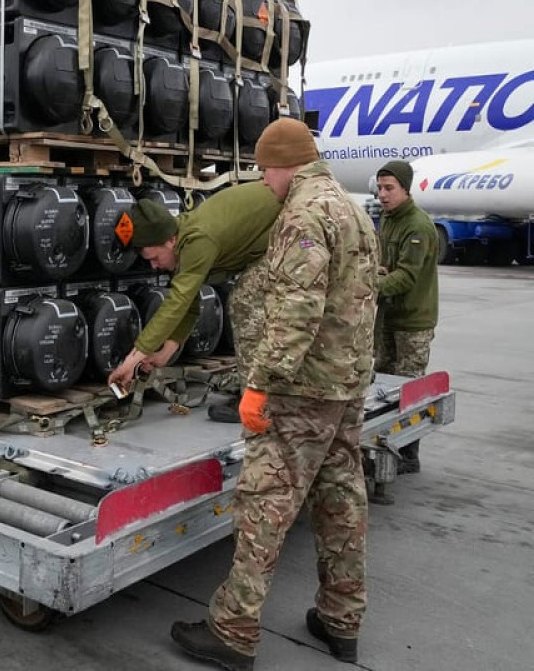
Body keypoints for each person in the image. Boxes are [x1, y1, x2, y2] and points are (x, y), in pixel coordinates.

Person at [169, 118, 380, 669]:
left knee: (266, 505)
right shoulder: (353, 208)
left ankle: (233, 631)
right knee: (341, 499)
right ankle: (342, 619)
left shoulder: (304, 214)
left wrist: (260, 384)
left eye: (265, 170)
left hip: (302, 390)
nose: (264, 182)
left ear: (285, 164)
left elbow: (295, 313)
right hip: (346, 384)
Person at [107, 183, 282, 421]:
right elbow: (188, 304)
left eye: (154, 258)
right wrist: (164, 354)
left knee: (246, 302)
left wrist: (132, 359)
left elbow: (178, 302)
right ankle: (259, 391)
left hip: (289, 229)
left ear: (170, 241)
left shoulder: (198, 240)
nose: (154, 266)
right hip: (272, 236)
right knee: (246, 298)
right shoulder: (183, 240)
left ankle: (259, 401)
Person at [373, 160, 439, 485]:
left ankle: (409, 455)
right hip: (389, 316)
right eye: (380, 187)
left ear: (405, 189)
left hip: (413, 321)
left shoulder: (418, 226)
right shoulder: (388, 219)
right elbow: (388, 265)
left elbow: (408, 276)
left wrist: (369, 285)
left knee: (409, 388)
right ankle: (386, 446)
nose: (382, 195)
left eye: (389, 188)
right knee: (383, 387)